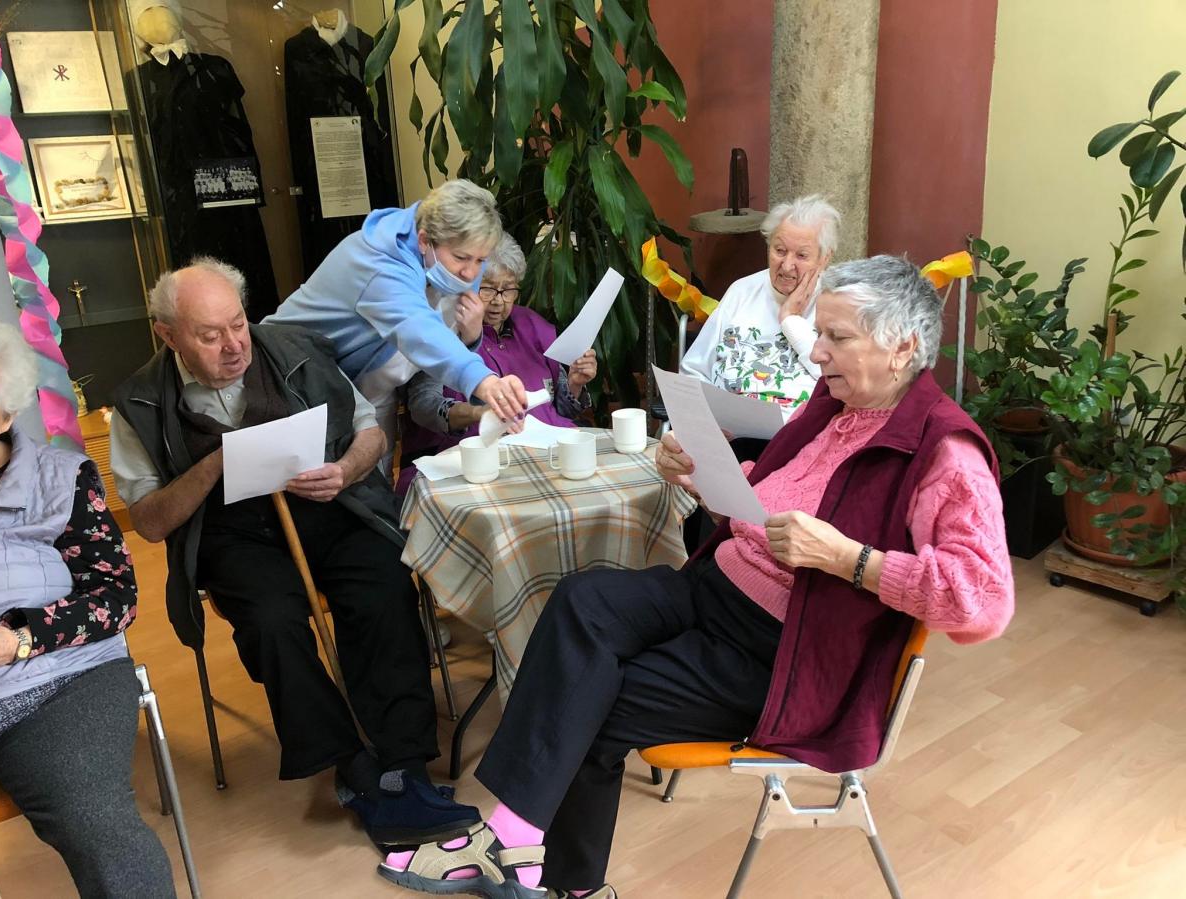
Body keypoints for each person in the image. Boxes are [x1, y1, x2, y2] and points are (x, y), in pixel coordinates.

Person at [378, 256, 1016, 898]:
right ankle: (519, 847)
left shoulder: (944, 451)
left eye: (836, 337)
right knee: (580, 598)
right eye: (819, 332)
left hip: (784, 653)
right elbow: (767, 509)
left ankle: (544, 866)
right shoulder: (834, 405)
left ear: (902, 346)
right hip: (714, 589)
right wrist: (703, 475)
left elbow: (982, 603)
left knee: (593, 699)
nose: (816, 351)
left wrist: (848, 558)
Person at [108, 259, 479, 848]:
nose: (235, 345)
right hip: (232, 534)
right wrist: (217, 463)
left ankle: (403, 762)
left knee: (384, 582)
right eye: (210, 335)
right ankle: (355, 770)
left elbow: (369, 431)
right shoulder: (140, 401)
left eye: (238, 324)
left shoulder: (295, 349)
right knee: (271, 621)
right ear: (168, 335)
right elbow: (150, 522)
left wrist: (345, 470)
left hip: (326, 505)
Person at [0, 315, 174, 897]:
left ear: (6, 415)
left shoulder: (59, 480)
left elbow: (115, 598)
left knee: (94, 822)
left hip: (55, 687)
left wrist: (13, 640)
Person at [264, 178, 528, 469]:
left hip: (368, 387)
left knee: (375, 479)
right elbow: (420, 330)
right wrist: (483, 381)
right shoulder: (379, 264)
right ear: (424, 240)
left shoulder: (457, 254)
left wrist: (472, 342)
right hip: (294, 374)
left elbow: (446, 327)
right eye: (461, 258)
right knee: (328, 483)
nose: (470, 273)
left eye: (480, 260)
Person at [397, 233, 597, 494]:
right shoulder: (440, 329)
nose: (498, 301)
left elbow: (561, 410)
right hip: (469, 462)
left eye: (508, 289)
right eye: (487, 288)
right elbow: (424, 406)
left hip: (545, 459)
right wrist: (476, 414)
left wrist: (574, 384)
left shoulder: (534, 327)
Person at [680, 195, 839, 460]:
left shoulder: (836, 303)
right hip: (726, 441)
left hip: (799, 447)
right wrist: (704, 423)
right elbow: (693, 370)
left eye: (801, 255)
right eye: (779, 250)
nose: (787, 266)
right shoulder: (742, 291)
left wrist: (791, 321)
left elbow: (836, 379)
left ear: (824, 259)